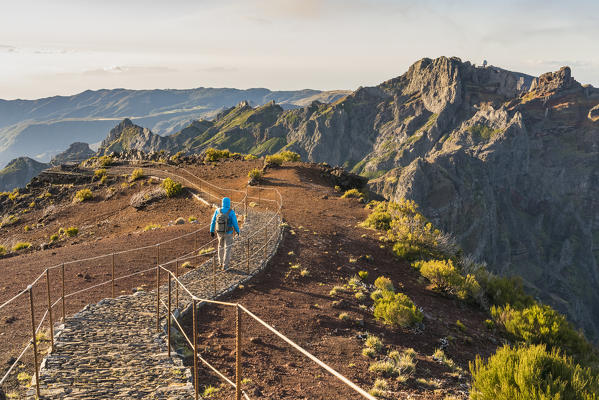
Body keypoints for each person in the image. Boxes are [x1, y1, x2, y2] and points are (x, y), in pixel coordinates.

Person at [210, 197, 240, 270]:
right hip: (228, 232)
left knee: (220, 247)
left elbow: (213, 221)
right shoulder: (231, 212)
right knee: (227, 248)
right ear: (229, 203)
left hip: (219, 232)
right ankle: (225, 265)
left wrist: (211, 230)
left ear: (222, 202)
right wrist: (237, 231)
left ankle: (220, 263)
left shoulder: (218, 210)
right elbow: (235, 223)